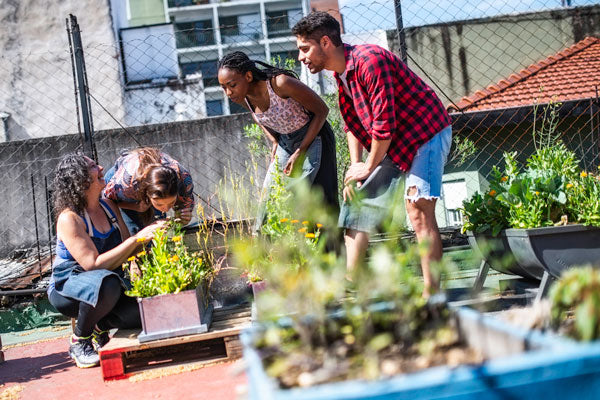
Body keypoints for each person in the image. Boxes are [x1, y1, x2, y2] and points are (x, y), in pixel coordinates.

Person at [292, 12, 452, 297]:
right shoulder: (340, 74)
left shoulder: (370, 62)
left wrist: (367, 166)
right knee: (357, 199)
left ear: (325, 42)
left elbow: (383, 126)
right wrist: (356, 168)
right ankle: (349, 287)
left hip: (425, 134)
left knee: (418, 210)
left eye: (305, 49)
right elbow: (352, 124)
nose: (301, 57)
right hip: (393, 143)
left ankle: (432, 295)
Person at [47, 154, 165, 368]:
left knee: (144, 312)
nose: (101, 167)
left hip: (107, 281)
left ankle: (99, 328)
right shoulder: (69, 218)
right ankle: (79, 341)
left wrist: (154, 235)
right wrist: (137, 239)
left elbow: (126, 248)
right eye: (93, 166)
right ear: (80, 179)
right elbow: (92, 264)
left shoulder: (109, 205)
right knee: (107, 283)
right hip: (68, 286)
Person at [217, 51, 338, 231]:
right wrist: (274, 140)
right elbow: (257, 116)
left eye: (232, 85)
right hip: (286, 143)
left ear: (248, 76)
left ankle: (332, 251)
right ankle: (266, 249)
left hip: (315, 137)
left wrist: (301, 150)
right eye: (223, 87)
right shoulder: (243, 97)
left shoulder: (280, 83)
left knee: (317, 199)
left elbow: (322, 110)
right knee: (270, 199)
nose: (228, 92)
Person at [103, 147, 194, 234]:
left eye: (171, 203)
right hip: (123, 180)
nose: (166, 209)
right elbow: (106, 201)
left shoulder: (184, 181)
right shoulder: (125, 187)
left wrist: (184, 214)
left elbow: (186, 204)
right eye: (159, 204)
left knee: (159, 232)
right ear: (147, 193)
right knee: (135, 232)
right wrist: (136, 207)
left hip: (148, 184)